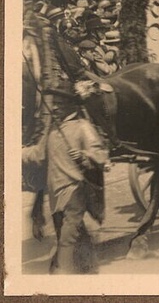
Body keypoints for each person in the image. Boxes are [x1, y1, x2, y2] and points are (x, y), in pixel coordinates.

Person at [42, 90, 109, 274]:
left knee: (67, 238)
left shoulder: (83, 127)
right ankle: (88, 267)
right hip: (55, 194)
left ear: (71, 106)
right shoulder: (54, 129)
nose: (55, 107)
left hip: (74, 190)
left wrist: (83, 155)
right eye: (54, 103)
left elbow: (101, 155)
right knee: (71, 232)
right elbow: (39, 154)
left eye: (59, 104)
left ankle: (62, 273)